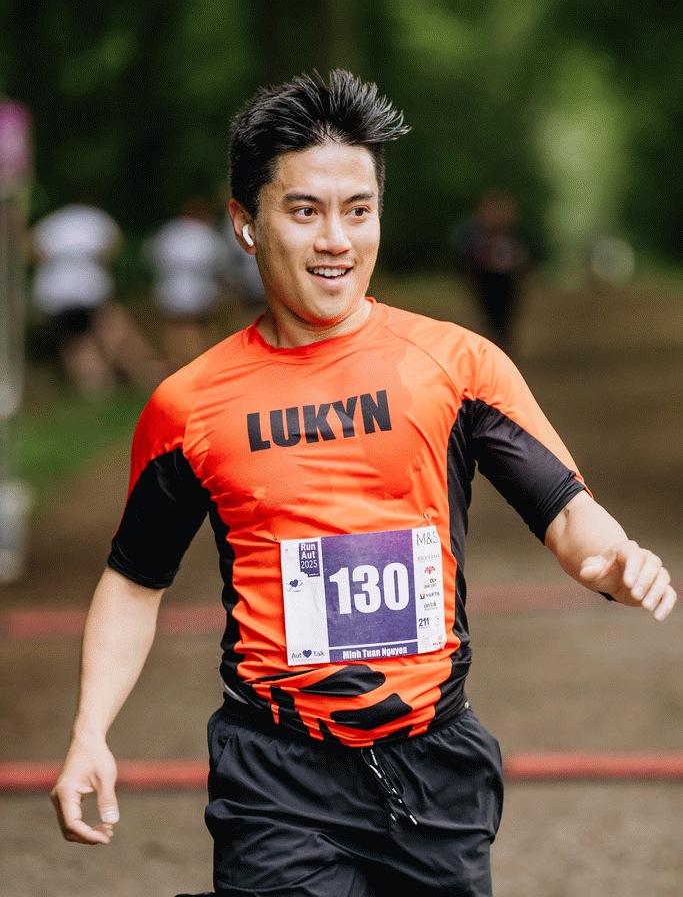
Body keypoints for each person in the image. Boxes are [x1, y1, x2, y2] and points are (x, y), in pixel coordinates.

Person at [51, 71, 677, 897]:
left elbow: (564, 511)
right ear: (245, 223)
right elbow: (135, 580)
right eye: (304, 211)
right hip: (273, 773)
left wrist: (610, 561)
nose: (335, 240)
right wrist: (89, 730)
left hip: (436, 764)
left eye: (357, 210)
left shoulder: (456, 366)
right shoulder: (188, 405)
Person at [29, 195, 167, 395]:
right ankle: (114, 379)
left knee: (78, 341)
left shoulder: (50, 222)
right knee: (105, 332)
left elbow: (34, 251)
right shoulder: (97, 219)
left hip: (57, 297)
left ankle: (97, 384)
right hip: (89, 292)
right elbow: (112, 246)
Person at [143, 196, 233, 370]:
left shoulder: (168, 231)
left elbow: (151, 256)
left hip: (170, 290)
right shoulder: (206, 234)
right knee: (199, 328)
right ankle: (201, 364)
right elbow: (220, 264)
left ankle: (177, 365)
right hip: (201, 291)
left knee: (174, 329)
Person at [451, 189, 532, 354]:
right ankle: (496, 341)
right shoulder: (475, 236)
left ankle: (502, 341)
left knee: (506, 313)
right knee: (490, 312)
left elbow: (522, 257)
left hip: (507, 279)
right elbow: (466, 258)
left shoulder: (513, 236)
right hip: (486, 278)